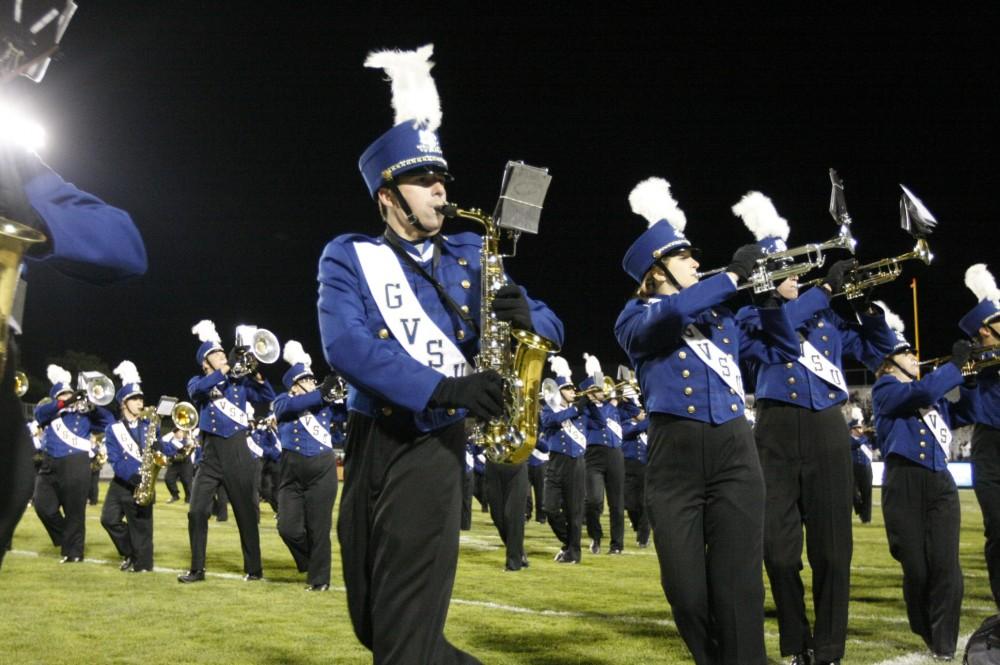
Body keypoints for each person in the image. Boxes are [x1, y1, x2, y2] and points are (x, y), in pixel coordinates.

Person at [317, 44, 563, 663]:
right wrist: (446, 386)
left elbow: (550, 322)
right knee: (378, 625)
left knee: (401, 644)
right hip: (369, 438)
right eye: (424, 180)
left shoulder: (473, 255)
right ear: (387, 196)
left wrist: (531, 318)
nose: (440, 189)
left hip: (432, 450)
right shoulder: (349, 255)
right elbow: (345, 343)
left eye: (442, 179)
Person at [614, 177, 801, 664]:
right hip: (674, 458)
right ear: (655, 273)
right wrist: (734, 278)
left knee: (739, 591)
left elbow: (784, 348)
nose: (697, 262)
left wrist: (768, 297)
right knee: (687, 594)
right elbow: (666, 320)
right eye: (684, 258)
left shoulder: (722, 318)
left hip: (735, 454)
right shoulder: (633, 317)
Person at [0, 28, 147, 567]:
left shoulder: (12, 162)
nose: (24, 75)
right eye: (16, 59)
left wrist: (25, 205)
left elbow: (124, 248)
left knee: (12, 477)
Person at [731, 191, 895, 665]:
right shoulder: (749, 315)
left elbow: (877, 349)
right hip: (776, 429)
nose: (796, 276)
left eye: (795, 269)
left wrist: (863, 301)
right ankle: (794, 638)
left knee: (832, 551)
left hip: (827, 427)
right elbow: (774, 332)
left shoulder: (825, 316)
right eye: (784, 269)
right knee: (778, 552)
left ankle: (827, 649)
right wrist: (823, 292)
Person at [872, 302, 973, 661]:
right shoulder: (885, 390)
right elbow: (919, 394)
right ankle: (926, 629)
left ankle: (944, 645)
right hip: (904, 483)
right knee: (916, 569)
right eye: (906, 353)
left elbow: (967, 411)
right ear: (889, 361)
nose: (915, 357)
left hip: (940, 481)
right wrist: (953, 367)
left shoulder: (933, 393)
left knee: (947, 566)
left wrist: (973, 379)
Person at [178, 320, 275, 583]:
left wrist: (256, 374)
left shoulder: (239, 385)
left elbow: (267, 395)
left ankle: (253, 569)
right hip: (210, 456)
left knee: (245, 512)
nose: (223, 356)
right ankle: (197, 569)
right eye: (216, 354)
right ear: (205, 362)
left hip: (237, 453)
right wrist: (223, 370)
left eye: (223, 353)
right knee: (197, 510)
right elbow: (197, 392)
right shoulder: (199, 381)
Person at [272, 340, 340, 591]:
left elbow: (346, 408)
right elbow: (290, 406)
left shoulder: (325, 402)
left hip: (322, 469)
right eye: (307, 380)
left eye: (313, 380)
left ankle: (319, 579)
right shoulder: (283, 400)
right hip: (291, 471)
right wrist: (321, 392)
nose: (313, 383)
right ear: (294, 385)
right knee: (287, 527)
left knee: (319, 527)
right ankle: (312, 561)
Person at [32, 364, 115, 563]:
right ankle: (66, 538)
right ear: (55, 397)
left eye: (71, 394)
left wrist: (93, 405)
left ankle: (74, 553)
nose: (69, 398)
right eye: (63, 395)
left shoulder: (84, 415)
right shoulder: (50, 411)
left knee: (74, 511)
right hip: (49, 465)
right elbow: (39, 414)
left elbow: (109, 421)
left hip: (76, 464)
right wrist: (65, 402)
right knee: (43, 505)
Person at [100, 361, 178, 572]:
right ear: (124, 403)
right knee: (108, 520)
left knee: (142, 528)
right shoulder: (113, 429)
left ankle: (142, 564)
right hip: (122, 482)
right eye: (134, 398)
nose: (139, 402)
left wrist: (173, 446)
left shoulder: (150, 425)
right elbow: (114, 459)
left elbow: (161, 447)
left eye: (140, 398)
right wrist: (130, 476)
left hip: (145, 482)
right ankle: (130, 552)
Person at [960, 264, 1000, 609]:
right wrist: (969, 379)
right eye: (984, 332)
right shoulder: (982, 360)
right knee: (998, 529)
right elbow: (972, 408)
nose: (984, 338)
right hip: (989, 443)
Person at [541, 356, 588, 564]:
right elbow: (549, 421)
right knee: (550, 508)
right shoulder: (549, 410)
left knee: (574, 510)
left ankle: (573, 553)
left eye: (572, 389)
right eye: (568, 389)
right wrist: (575, 409)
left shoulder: (582, 412)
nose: (573, 392)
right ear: (559, 391)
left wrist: (592, 398)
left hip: (575, 463)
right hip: (555, 463)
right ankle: (569, 542)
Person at [580, 353, 626, 555]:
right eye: (598, 389)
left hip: (615, 455)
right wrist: (589, 399)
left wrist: (626, 390)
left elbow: (634, 409)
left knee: (617, 503)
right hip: (594, 456)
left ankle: (617, 544)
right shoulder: (587, 410)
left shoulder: (613, 406)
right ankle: (595, 537)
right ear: (591, 392)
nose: (603, 392)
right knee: (593, 501)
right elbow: (599, 421)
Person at [620, 395, 650, 548]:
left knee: (645, 503)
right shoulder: (625, 424)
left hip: (645, 467)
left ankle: (643, 537)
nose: (644, 414)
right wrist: (649, 418)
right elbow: (631, 432)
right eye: (641, 412)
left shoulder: (647, 428)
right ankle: (638, 526)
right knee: (630, 503)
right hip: (629, 466)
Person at [849, 419, 874, 524]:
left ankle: (866, 518)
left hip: (866, 467)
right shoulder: (848, 439)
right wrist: (866, 436)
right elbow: (855, 444)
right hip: (853, 468)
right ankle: (860, 510)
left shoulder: (867, 439)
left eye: (860, 427)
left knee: (867, 493)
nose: (860, 430)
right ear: (851, 430)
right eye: (857, 428)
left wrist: (873, 432)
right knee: (853, 493)